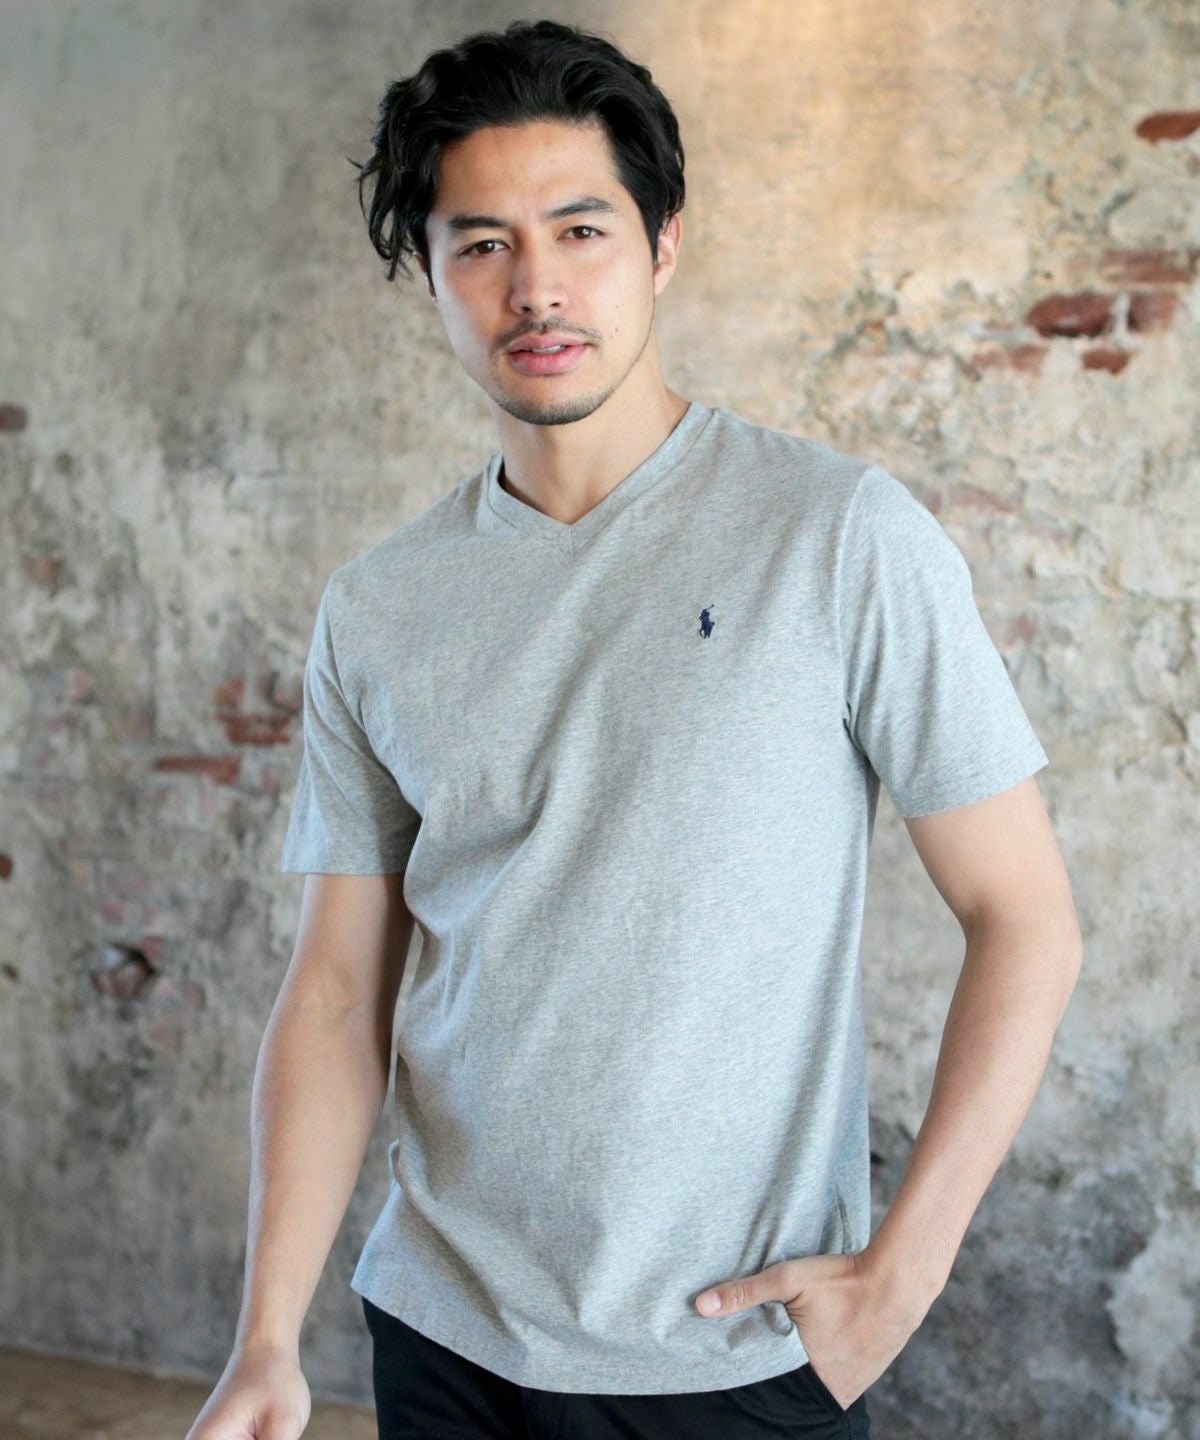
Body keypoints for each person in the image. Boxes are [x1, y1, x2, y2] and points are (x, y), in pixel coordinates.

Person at [186, 17, 1083, 1440]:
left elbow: (1024, 919)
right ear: (429, 272)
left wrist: (897, 1281)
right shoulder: (379, 608)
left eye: (581, 229)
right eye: (481, 243)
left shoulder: (837, 536)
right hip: (443, 1336)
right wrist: (264, 1339)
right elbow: (339, 992)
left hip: (732, 1355)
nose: (535, 285)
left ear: (663, 244)